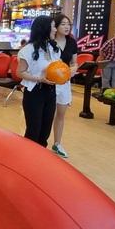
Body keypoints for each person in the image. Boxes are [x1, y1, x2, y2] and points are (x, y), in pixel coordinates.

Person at [16, 16, 59, 147]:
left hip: (51, 92)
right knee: (34, 130)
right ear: (44, 29)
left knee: (45, 131)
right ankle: (28, 160)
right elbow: (20, 72)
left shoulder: (53, 48)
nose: (56, 29)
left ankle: (41, 160)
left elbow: (57, 68)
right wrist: (40, 79)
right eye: (53, 26)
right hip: (34, 92)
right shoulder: (27, 50)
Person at [51, 14, 78, 159]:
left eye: (68, 24)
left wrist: (73, 69)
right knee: (47, 114)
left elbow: (74, 62)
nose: (66, 27)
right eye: (63, 24)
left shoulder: (72, 42)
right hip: (49, 82)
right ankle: (39, 142)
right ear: (55, 26)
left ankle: (57, 143)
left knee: (61, 114)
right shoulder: (49, 42)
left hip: (64, 82)